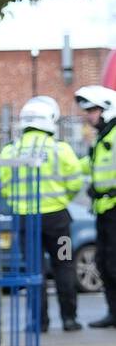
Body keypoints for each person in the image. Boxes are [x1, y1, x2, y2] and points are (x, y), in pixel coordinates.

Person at [1, 95, 85, 332]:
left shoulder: (10, 151)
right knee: (65, 264)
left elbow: (4, 185)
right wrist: (62, 199)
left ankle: (39, 322)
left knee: (33, 269)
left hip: (26, 221)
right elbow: (76, 181)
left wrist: (20, 203)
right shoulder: (61, 149)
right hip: (58, 220)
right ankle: (69, 319)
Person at [75, 85, 116, 327]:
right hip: (103, 209)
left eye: (93, 110)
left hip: (114, 208)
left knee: (112, 263)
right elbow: (88, 167)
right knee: (104, 262)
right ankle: (113, 312)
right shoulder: (103, 138)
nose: (89, 116)